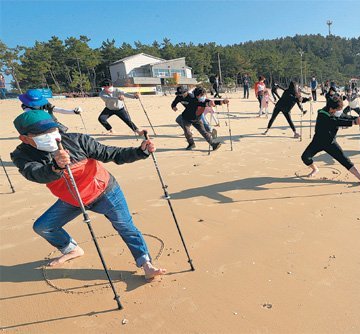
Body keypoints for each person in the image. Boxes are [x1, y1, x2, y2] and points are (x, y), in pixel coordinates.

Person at [10, 110, 166, 280]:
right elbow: (34, 174)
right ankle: (71, 249)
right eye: (40, 133)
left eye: (51, 129)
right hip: (73, 200)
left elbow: (111, 153)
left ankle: (146, 264)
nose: (49, 135)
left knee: (125, 226)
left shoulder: (77, 140)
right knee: (43, 226)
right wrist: (55, 167)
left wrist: (140, 151)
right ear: (24, 138)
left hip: (106, 192)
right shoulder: (21, 155)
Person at [301, 94, 360, 183]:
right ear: (331, 109)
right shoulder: (322, 115)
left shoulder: (334, 112)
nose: (339, 112)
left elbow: (350, 117)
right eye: (337, 110)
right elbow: (335, 121)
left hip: (330, 143)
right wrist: (354, 122)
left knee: (344, 160)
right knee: (305, 157)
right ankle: (315, 169)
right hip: (317, 141)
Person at [175, 86, 228, 151]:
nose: (203, 96)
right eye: (201, 95)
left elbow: (210, 101)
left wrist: (222, 101)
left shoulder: (201, 99)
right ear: (197, 96)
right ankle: (191, 144)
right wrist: (209, 103)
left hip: (197, 119)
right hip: (186, 118)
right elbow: (204, 103)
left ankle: (213, 144)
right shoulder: (194, 100)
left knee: (204, 132)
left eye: (203, 95)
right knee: (187, 132)